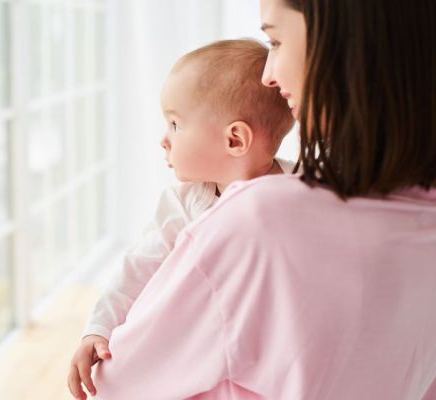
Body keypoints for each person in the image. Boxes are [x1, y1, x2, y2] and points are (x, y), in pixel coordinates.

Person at [89, 0, 436, 399]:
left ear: (343, 44)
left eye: (275, 41)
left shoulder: (258, 220)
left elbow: (118, 386)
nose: (269, 75)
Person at [67, 39, 295, 400]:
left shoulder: (303, 193)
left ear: (235, 139)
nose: (164, 139)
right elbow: (138, 268)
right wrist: (99, 328)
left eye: (175, 124)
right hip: (202, 351)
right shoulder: (184, 204)